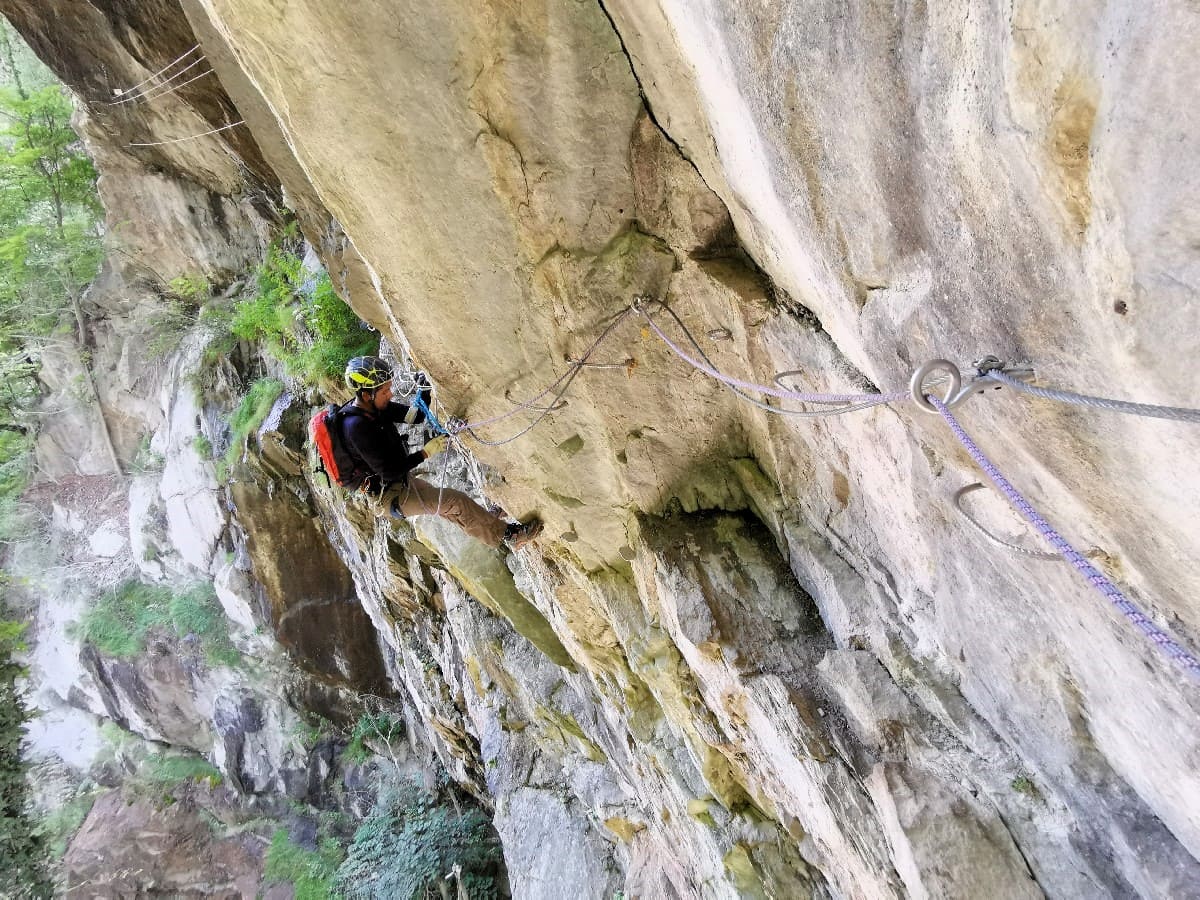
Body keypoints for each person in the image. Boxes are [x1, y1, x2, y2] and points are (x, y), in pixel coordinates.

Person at [339, 356, 543, 550]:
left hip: (399, 482)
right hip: (390, 495)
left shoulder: (374, 407)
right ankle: (511, 536)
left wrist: (424, 389)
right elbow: (389, 471)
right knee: (454, 502)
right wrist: (426, 453)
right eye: (385, 391)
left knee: (449, 507)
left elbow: (415, 416)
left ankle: (487, 521)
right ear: (366, 395)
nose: (390, 394)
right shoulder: (356, 427)